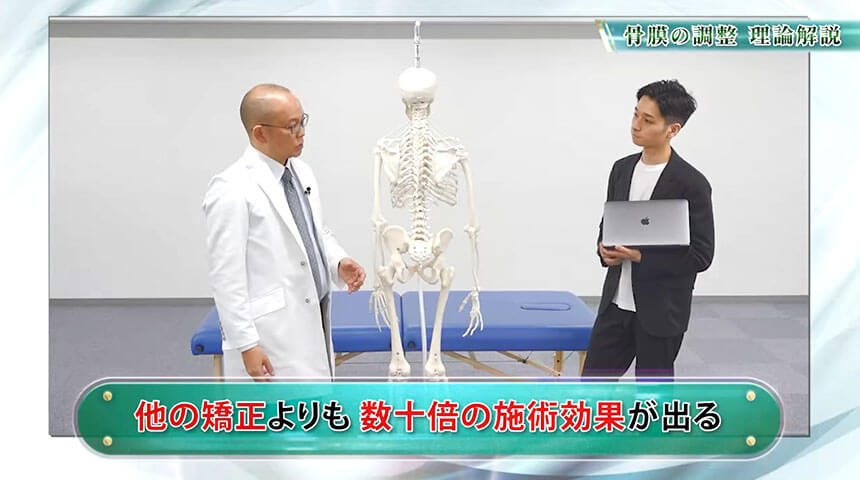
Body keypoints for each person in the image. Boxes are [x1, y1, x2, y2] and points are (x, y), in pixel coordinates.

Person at [203, 84, 365, 381]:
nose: (302, 133)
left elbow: (313, 232)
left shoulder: (301, 172)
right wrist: (246, 344)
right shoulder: (231, 188)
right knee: (277, 408)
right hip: (270, 332)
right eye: (292, 126)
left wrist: (337, 262)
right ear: (260, 133)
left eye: (303, 121)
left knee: (312, 403)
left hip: (312, 311)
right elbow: (226, 276)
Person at [583, 79, 714, 378]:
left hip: (662, 312)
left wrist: (641, 257)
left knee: (652, 395)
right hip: (615, 305)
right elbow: (609, 222)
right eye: (635, 114)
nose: (635, 125)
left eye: (648, 120)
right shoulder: (621, 169)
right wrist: (604, 250)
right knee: (592, 387)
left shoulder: (692, 183)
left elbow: (701, 256)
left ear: (673, 129)